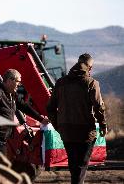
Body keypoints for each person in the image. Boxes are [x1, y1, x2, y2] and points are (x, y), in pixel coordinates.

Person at [46, 53, 107, 184]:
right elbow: (99, 108)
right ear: (89, 68)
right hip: (85, 132)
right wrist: (103, 125)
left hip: (66, 132)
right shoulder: (91, 83)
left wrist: (58, 126)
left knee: (74, 168)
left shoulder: (60, 83)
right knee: (81, 167)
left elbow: (50, 108)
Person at [0, 69, 49, 154]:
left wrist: (41, 119)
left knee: (1, 165)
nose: (19, 84)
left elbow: (25, 107)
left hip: (2, 140)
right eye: (18, 81)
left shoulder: (13, 95)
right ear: (9, 80)